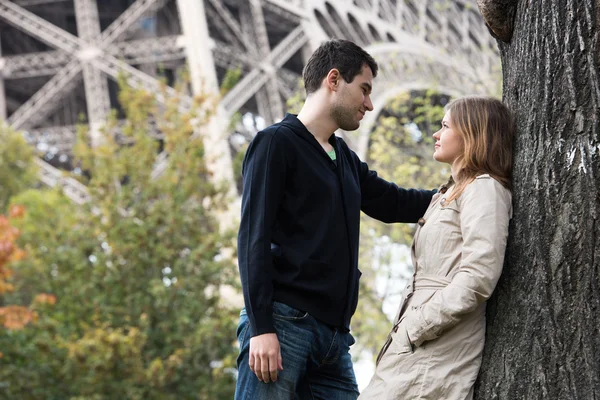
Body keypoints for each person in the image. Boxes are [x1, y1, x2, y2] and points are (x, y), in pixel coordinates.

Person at [235, 39, 435, 399]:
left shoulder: (342, 157)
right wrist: (261, 327)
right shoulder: (275, 143)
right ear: (333, 79)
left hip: (334, 340)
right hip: (282, 325)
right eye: (364, 89)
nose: (369, 104)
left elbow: (393, 203)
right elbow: (253, 237)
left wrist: (460, 192)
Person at [358, 96, 515, 399]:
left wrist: (419, 325)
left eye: (445, 126)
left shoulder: (484, 188)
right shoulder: (448, 193)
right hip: (416, 346)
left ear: (471, 133)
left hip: (436, 349)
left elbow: (479, 276)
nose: (435, 134)